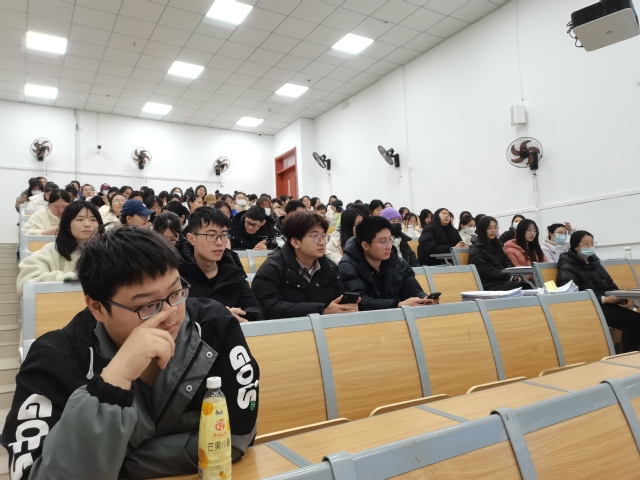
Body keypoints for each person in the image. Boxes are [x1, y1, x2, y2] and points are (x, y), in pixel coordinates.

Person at [3, 226, 259, 478]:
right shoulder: (52, 361)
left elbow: (236, 437)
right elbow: (31, 474)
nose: (170, 313)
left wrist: (121, 465)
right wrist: (115, 380)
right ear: (97, 308)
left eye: (176, 292)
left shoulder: (214, 326)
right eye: (148, 306)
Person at [251, 211, 357, 319]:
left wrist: (346, 307)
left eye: (323, 236)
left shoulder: (330, 267)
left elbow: (339, 297)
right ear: (295, 242)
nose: (322, 242)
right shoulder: (272, 269)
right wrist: (321, 310)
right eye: (315, 236)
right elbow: (269, 308)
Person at [557, 231, 640, 352]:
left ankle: (633, 355)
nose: (590, 246)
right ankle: (630, 356)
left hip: (604, 305)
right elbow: (574, 293)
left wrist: (618, 296)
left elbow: (609, 283)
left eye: (592, 243)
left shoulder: (595, 263)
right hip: (589, 307)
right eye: (586, 244)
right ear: (576, 247)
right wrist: (603, 299)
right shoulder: (568, 267)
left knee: (636, 319)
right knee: (633, 321)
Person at [180, 208, 264, 323]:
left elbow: (254, 309)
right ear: (192, 238)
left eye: (224, 235)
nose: (219, 242)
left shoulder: (232, 269)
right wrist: (219, 315)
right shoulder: (177, 273)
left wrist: (242, 319)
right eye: (211, 235)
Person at [338, 216, 435, 311]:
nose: (389, 246)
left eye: (390, 239)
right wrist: (397, 305)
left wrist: (424, 299)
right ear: (365, 245)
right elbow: (360, 301)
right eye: (383, 242)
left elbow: (412, 289)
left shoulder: (398, 262)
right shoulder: (348, 266)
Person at [17, 202, 103, 295]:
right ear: (67, 226)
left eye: (93, 220)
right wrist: (71, 278)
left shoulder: (108, 251)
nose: (87, 224)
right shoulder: (52, 250)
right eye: (80, 219)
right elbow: (27, 281)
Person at [469, 216, 532, 291]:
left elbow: (507, 262)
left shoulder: (497, 246)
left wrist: (514, 274)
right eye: (489, 228)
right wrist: (508, 276)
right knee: (525, 286)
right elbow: (484, 270)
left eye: (495, 227)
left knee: (528, 285)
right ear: (482, 229)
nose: (493, 230)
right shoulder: (476, 248)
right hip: (488, 284)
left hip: (501, 281)